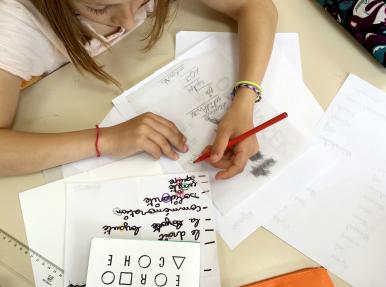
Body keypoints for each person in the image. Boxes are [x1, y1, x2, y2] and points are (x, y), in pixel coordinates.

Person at [0, 0, 278, 178]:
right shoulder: (13, 22)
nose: (130, 21)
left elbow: (257, 7)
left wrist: (245, 99)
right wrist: (105, 140)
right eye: (98, 8)